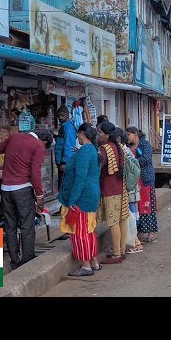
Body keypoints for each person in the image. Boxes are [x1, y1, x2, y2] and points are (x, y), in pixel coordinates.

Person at [0, 129, 54, 270]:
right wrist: (39, 195)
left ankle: (14, 261)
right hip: (23, 189)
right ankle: (27, 259)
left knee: (10, 225)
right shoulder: (38, 145)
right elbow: (35, 171)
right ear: (44, 141)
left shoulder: (14, 137)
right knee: (27, 225)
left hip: (6, 189)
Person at [58, 123, 102, 277]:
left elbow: (80, 177)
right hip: (91, 194)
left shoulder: (85, 151)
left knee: (80, 232)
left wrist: (72, 200)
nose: (76, 137)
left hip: (82, 197)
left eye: (77, 134)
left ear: (82, 133)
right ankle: (94, 262)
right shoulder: (92, 150)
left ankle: (86, 266)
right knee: (89, 230)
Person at [96, 122, 129, 264]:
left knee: (113, 221)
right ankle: (121, 251)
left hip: (110, 189)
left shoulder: (104, 149)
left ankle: (116, 254)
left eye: (100, 132)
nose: (98, 135)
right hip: (121, 187)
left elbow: (98, 168)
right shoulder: (119, 147)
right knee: (122, 219)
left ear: (107, 134)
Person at [126, 126, 158, 244]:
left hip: (145, 179)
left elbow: (146, 159)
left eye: (129, 135)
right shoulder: (129, 147)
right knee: (137, 207)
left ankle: (152, 232)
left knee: (148, 206)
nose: (127, 137)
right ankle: (140, 232)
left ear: (135, 134)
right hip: (134, 181)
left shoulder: (145, 144)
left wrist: (132, 163)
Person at [55, 105, 78, 192]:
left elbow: (68, 145)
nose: (60, 117)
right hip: (65, 162)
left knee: (64, 189)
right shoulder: (66, 126)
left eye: (62, 115)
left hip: (65, 163)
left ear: (67, 116)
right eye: (59, 116)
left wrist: (64, 162)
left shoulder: (67, 127)